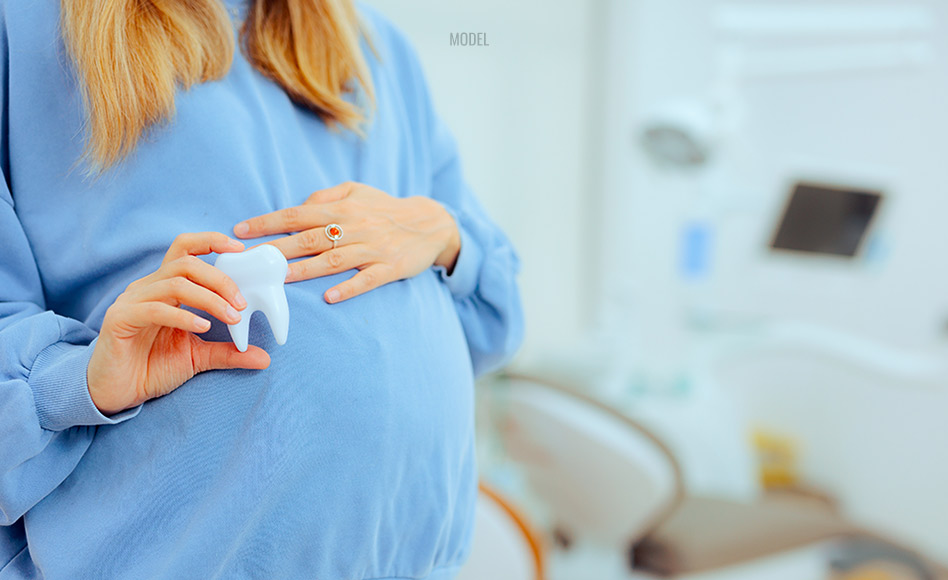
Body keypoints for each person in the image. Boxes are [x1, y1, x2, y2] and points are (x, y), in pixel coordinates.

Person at [0, 0, 523, 578]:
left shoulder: (378, 46)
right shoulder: (21, 28)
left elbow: (496, 317)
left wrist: (444, 234)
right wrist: (75, 383)